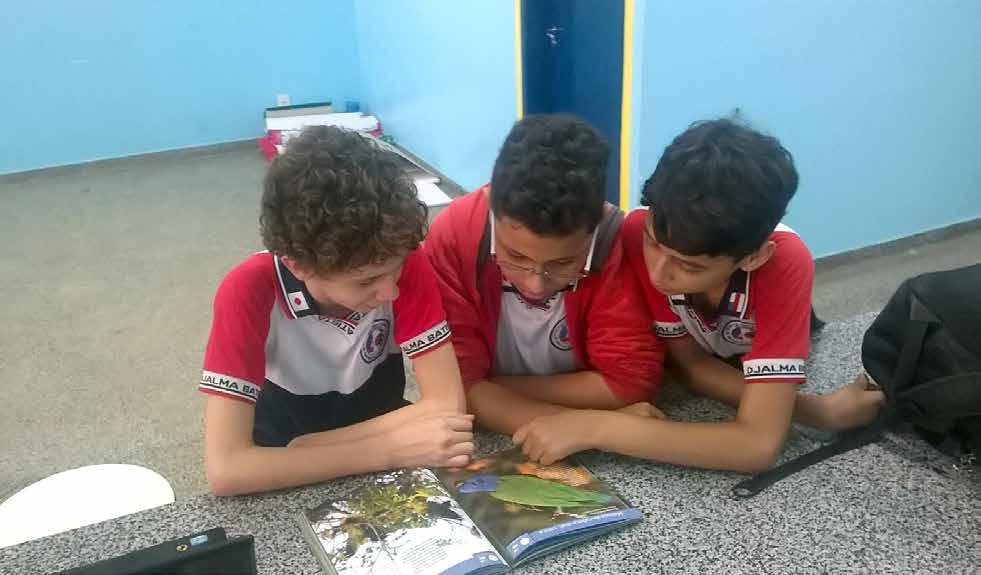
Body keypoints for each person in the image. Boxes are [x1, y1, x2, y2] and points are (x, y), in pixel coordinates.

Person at [515, 118, 884, 471]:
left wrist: (595, 428)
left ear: (754, 256)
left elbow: (757, 445)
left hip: (752, 356)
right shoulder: (632, 231)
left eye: (689, 266)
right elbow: (690, 367)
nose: (658, 273)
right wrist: (818, 412)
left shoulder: (785, 263)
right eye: (652, 244)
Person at [199, 126, 473, 495]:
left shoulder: (401, 257)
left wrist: (316, 446)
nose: (390, 291)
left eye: (396, 271)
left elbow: (447, 405)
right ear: (298, 266)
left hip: (335, 437)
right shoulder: (246, 290)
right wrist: (383, 451)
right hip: (287, 450)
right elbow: (228, 469)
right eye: (365, 282)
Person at [424, 114, 664, 446]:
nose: (535, 285)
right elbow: (455, 387)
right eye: (515, 257)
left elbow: (629, 383)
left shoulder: (615, 241)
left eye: (564, 262)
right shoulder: (454, 236)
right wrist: (597, 427)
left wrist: (484, 389)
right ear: (494, 213)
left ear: (593, 230)